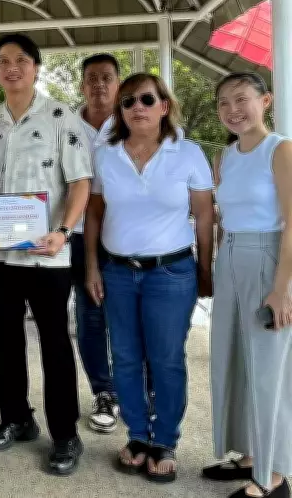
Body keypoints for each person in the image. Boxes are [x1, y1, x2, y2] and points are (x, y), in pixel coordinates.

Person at [85, 73, 214, 483]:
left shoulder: (188, 153)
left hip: (171, 273)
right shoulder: (106, 155)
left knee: (166, 360)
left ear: (164, 105)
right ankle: (138, 435)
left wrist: (205, 269)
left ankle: (165, 440)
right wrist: (91, 266)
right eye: (128, 102)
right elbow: (93, 213)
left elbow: (205, 215)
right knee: (124, 357)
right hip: (118, 272)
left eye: (146, 99)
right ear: (120, 112)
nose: (136, 107)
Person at [0, 34, 92, 476]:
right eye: (3, 61)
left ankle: (65, 434)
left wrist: (63, 231)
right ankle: (16, 418)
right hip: (0, 255)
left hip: (48, 253)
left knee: (55, 344)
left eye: (20, 60)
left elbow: (80, 182)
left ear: (36, 67)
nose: (12, 68)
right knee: (5, 341)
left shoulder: (61, 116)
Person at [203, 72, 292, 498]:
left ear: (266, 101)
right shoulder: (225, 155)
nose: (233, 110)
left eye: (242, 100)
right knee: (233, 360)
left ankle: (274, 477)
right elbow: (223, 217)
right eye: (224, 103)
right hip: (231, 257)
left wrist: (282, 288)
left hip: (269, 258)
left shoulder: (281, 149)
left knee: (269, 368)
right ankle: (253, 455)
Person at [72, 54, 120, 433]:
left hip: (125, 238)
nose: (99, 85)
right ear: (82, 85)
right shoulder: (65, 125)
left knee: (130, 317)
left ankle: (141, 390)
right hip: (76, 234)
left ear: (117, 84)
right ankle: (103, 392)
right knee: (90, 316)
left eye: (106, 77)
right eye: (92, 78)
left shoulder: (136, 121)